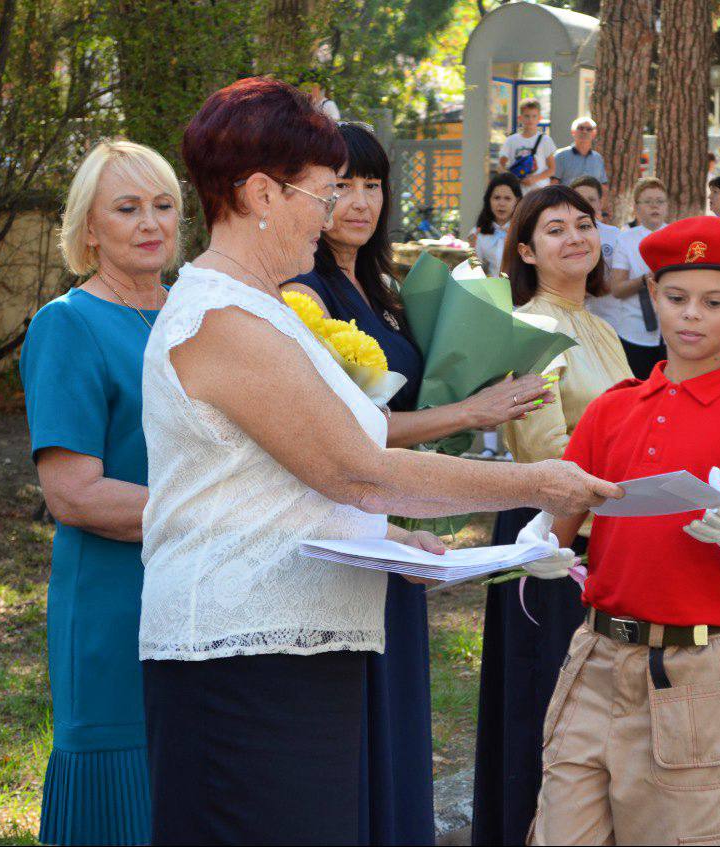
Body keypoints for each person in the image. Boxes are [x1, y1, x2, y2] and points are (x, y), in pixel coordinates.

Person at [136, 77, 619, 846]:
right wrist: (536, 480)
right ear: (262, 192)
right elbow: (356, 468)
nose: (333, 215)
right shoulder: (222, 316)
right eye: (324, 194)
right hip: (241, 655)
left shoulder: (261, 307)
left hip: (304, 637)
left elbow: (282, 480)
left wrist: (391, 540)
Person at [278, 122, 554, 844]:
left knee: (398, 710)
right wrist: (468, 410)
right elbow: (340, 434)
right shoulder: (298, 294)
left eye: (372, 185)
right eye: (341, 185)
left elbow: (406, 408)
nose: (358, 202)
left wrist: (475, 395)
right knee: (354, 719)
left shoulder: (383, 287)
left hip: (393, 523)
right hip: (338, 527)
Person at [526, 215, 720, 845]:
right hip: (594, 661)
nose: (692, 316)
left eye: (714, 302)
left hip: (691, 677)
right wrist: (539, 547)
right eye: (676, 298)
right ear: (652, 295)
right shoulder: (613, 408)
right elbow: (559, 531)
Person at [19, 139, 183, 845]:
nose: (150, 222)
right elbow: (74, 494)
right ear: (89, 229)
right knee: (122, 811)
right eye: (127, 208)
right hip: (117, 606)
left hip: (209, 598)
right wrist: (219, 517)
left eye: (164, 205)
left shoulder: (198, 316)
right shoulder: (68, 324)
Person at [473, 185, 633, 847]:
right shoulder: (531, 326)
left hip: (606, 534)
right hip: (550, 538)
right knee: (548, 709)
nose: (573, 237)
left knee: (596, 718)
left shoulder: (598, 324)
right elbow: (545, 450)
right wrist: (633, 492)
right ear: (527, 251)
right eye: (554, 229)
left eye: (584, 224)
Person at [598, 177, 670, 378]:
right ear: (636, 208)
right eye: (648, 201)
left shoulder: (677, 236)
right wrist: (646, 279)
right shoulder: (626, 239)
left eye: (660, 201)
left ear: (667, 206)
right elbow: (618, 289)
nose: (654, 206)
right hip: (634, 332)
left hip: (671, 335)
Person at [469, 172, 523, 277]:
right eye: (496, 198)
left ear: (517, 201)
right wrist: (472, 253)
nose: (501, 204)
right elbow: (474, 272)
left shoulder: (525, 231)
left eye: (507, 198)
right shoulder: (477, 233)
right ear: (488, 200)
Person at [499, 98, 557, 190]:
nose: (530, 119)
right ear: (520, 118)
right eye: (527, 116)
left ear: (539, 118)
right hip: (517, 191)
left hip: (539, 190)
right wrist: (515, 179)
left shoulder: (546, 140)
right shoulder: (511, 140)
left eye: (534, 116)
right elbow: (501, 166)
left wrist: (534, 179)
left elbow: (552, 169)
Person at [569, 175, 620, 268]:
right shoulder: (562, 236)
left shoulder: (614, 234)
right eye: (580, 199)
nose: (585, 204)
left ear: (600, 204)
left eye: (591, 200)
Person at [553, 116, 608, 186]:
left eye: (589, 129)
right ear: (573, 132)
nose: (584, 132)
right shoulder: (560, 156)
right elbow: (553, 184)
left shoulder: (598, 158)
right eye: (581, 128)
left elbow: (603, 185)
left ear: (594, 134)